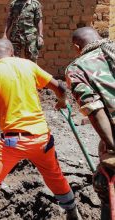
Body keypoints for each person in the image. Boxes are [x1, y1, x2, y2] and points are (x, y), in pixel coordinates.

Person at [0, 39, 80, 219]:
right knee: (54, 175)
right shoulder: (28, 65)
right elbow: (60, 87)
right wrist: (62, 102)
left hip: (13, 142)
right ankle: (72, 211)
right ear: (11, 51)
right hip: (42, 139)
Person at [65, 27, 115, 219]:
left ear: (76, 47)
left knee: (104, 182)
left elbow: (94, 109)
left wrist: (112, 147)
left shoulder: (78, 68)